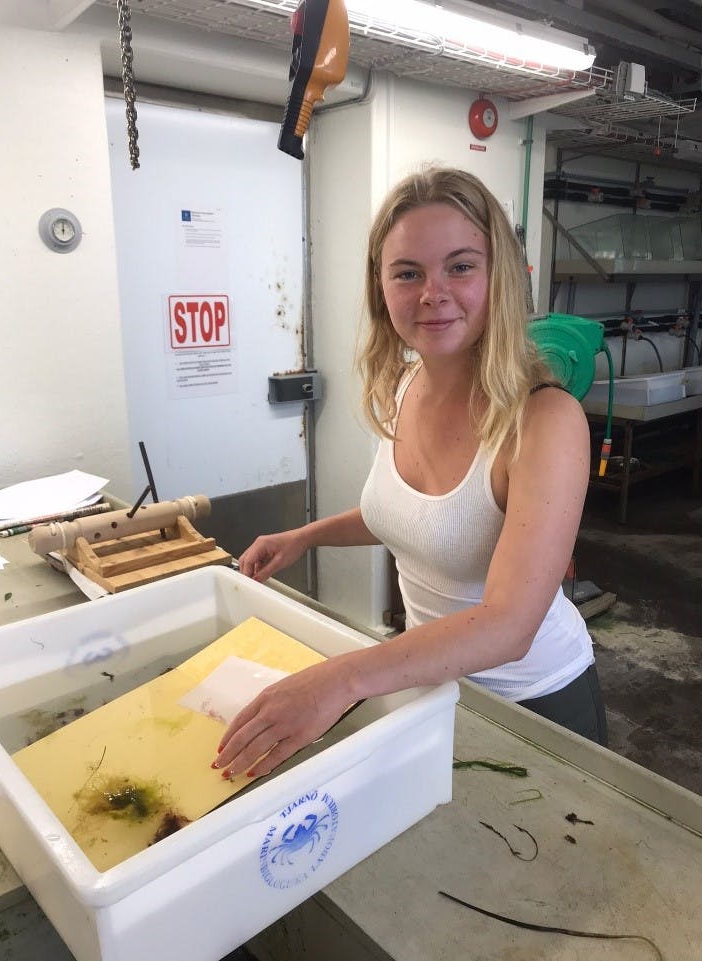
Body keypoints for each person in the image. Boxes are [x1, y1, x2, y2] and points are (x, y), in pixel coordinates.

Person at [211, 166, 607, 782]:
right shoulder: (404, 386)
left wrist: (346, 677)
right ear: (381, 288)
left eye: (460, 266)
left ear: (498, 276)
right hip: (428, 684)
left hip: (536, 707)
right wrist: (304, 537)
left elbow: (508, 626)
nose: (433, 292)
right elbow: (409, 516)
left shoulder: (544, 421)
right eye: (408, 272)